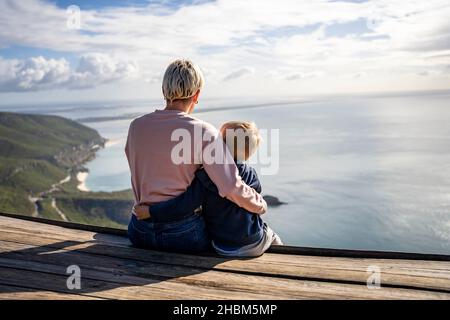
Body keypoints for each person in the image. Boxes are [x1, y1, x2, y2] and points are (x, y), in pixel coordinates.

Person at [125, 59, 267, 253]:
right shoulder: (204, 132)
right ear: (197, 94)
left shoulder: (136, 127)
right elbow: (230, 187)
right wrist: (260, 204)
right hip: (183, 234)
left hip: (139, 230)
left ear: (164, 90)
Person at [134, 121, 282, 257]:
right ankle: (286, 257)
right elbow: (255, 201)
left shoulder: (204, 176)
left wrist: (151, 212)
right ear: (248, 152)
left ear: (220, 146)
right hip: (252, 242)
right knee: (273, 236)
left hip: (222, 247)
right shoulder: (250, 174)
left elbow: (184, 205)